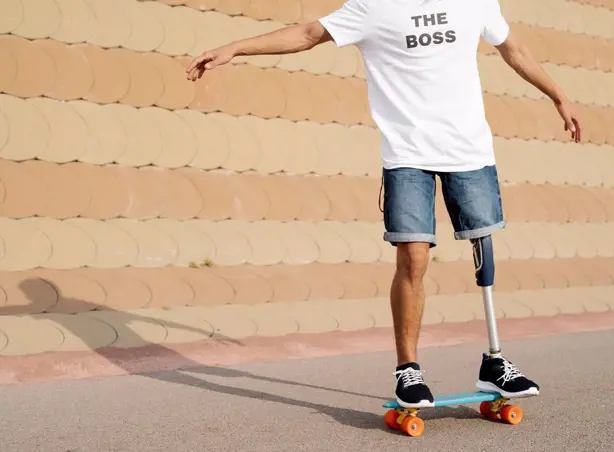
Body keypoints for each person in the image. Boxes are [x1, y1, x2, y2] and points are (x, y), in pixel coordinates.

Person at [187, 0, 581, 409]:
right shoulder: (373, 7)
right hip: (407, 156)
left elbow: (513, 49)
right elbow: (308, 35)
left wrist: (559, 96)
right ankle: (407, 369)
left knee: (483, 247)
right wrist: (235, 47)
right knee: (413, 258)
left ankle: (495, 362)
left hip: (469, 151)